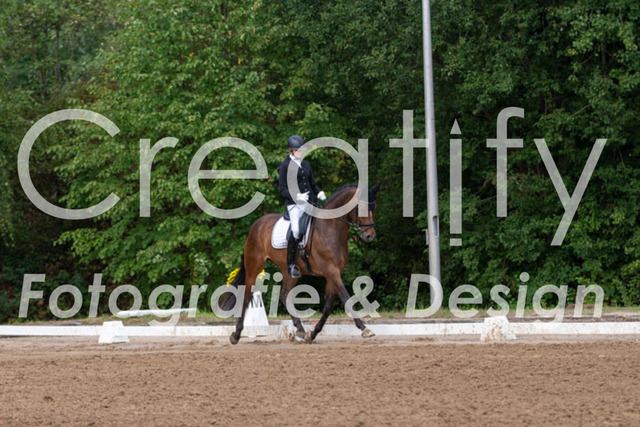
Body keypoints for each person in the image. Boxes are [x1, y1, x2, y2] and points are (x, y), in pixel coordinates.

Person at [277, 135, 326, 277]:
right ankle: (292, 264)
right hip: (294, 204)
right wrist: (297, 196)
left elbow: (312, 184)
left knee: (324, 224)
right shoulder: (284, 166)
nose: (301, 152)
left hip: (310, 202)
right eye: (298, 150)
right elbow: (282, 189)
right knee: (297, 230)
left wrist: (319, 192)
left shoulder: (306, 164)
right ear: (290, 150)